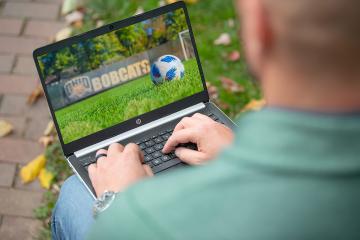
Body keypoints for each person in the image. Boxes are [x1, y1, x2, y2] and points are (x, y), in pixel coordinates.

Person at [52, 0, 360, 239]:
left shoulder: (138, 220)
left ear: (260, 26)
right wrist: (236, 151)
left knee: (73, 196)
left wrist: (121, 205)